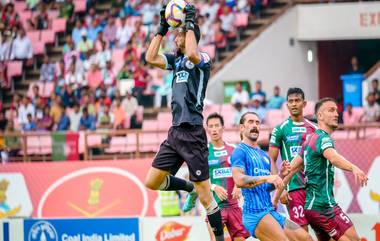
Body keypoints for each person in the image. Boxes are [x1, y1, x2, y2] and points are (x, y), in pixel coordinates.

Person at [144, 4, 225, 241]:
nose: (176, 37)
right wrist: (161, 28)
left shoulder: (202, 59)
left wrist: (189, 23)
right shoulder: (175, 61)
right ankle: (187, 186)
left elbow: (192, 53)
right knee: (152, 181)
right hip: (175, 132)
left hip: (193, 133)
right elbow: (149, 57)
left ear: (190, 36)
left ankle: (219, 238)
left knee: (207, 198)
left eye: (179, 34)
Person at [275, 98, 368, 241]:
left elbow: (291, 169)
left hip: (312, 208)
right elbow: (334, 158)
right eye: (331, 110)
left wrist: (276, 197)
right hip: (324, 208)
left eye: (336, 110)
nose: (336, 113)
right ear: (320, 116)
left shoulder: (309, 140)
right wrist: (354, 168)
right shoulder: (323, 139)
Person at [231, 112, 313, 241]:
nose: (255, 125)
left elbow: (266, 187)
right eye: (250, 122)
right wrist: (267, 177)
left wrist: (280, 175)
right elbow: (239, 180)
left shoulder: (264, 156)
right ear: (241, 127)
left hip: (270, 212)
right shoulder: (239, 151)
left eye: (257, 123)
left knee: (306, 238)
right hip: (255, 214)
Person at [183, 113, 250, 241]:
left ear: (223, 128)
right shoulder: (203, 153)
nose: (214, 129)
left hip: (235, 206)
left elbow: (243, 172)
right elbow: (197, 181)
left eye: (217, 125)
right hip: (215, 207)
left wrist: (238, 186)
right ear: (207, 129)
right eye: (211, 126)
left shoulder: (234, 150)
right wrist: (214, 187)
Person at [268, 88, 318, 231]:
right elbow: (272, 160)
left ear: (304, 103)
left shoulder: (314, 129)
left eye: (297, 100)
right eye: (291, 101)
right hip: (293, 188)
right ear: (287, 105)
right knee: (303, 234)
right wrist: (280, 188)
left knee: (324, 232)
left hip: (314, 188)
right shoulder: (280, 129)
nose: (294, 104)